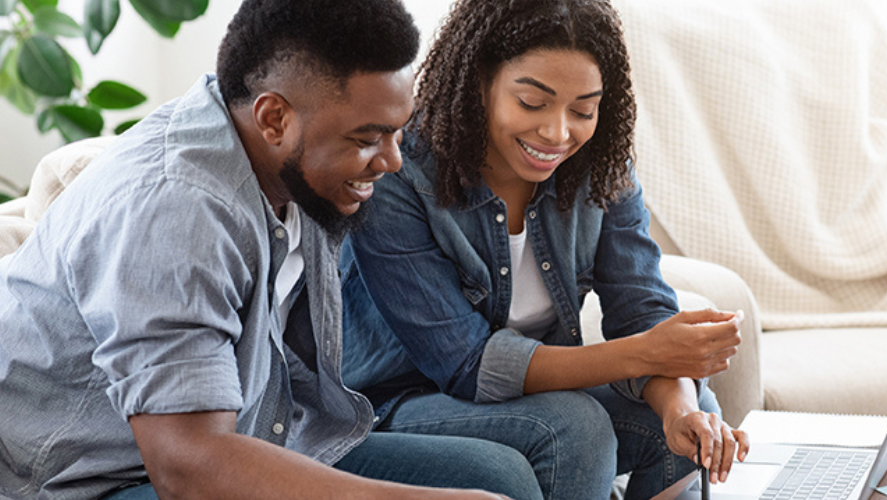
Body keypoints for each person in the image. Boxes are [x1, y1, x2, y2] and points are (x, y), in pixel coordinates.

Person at [0, 1, 542, 499]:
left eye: (396, 133)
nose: (392, 161)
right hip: (98, 479)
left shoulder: (291, 165)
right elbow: (188, 467)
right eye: (366, 138)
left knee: (500, 478)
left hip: (250, 432)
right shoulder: (177, 211)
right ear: (273, 118)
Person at [339, 0, 750, 499]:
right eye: (532, 103)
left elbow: (640, 309)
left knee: (686, 419)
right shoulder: (401, 168)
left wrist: (682, 408)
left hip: (525, 400)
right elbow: (465, 364)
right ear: (480, 82)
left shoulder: (600, 169)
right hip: (396, 401)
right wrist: (646, 352)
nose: (558, 133)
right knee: (571, 426)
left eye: (583, 110)